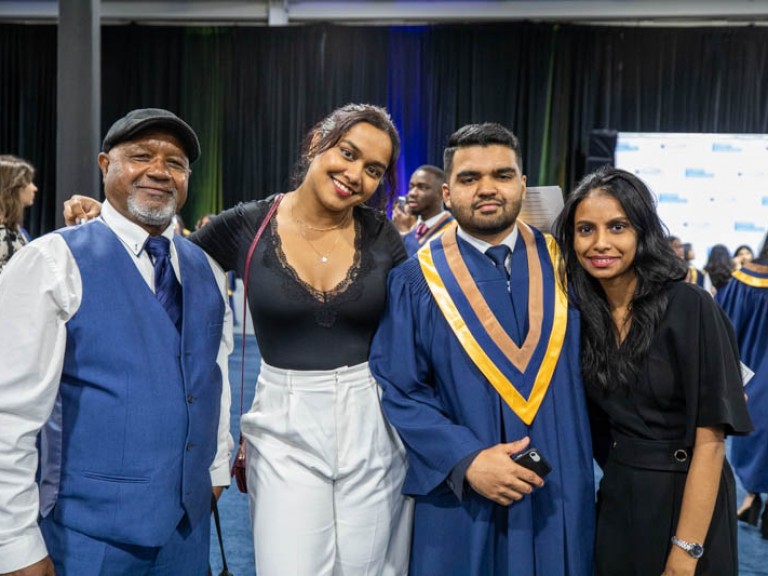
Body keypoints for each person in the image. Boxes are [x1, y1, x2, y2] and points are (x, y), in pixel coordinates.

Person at [65, 103, 413, 576]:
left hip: (373, 418)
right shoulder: (248, 223)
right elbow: (156, 250)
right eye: (347, 153)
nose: (355, 174)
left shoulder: (382, 236)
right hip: (284, 423)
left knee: (373, 569)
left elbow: (418, 323)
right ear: (317, 144)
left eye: (373, 169)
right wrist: (103, 213)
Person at [0, 108, 234, 575]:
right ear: (106, 165)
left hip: (186, 536)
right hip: (86, 538)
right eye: (141, 156)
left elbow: (215, 375)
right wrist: (15, 543)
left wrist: (215, 469)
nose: (159, 171)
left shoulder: (206, 268)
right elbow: (9, 415)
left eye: (176, 162)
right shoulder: (52, 261)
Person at [370, 123, 595, 575]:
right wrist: (466, 460)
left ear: (523, 185)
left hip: (561, 488)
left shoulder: (570, 266)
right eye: (471, 179)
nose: (487, 188)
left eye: (502, 175)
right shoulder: (415, 281)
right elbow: (401, 388)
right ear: (448, 193)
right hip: (466, 494)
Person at [552, 166, 752, 575]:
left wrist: (685, 551)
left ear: (642, 232)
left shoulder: (690, 306)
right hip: (619, 499)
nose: (600, 243)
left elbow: (711, 442)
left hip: (690, 501)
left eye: (617, 226)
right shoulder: (579, 316)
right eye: (585, 229)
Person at [716, 233, 768, 538]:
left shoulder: (743, 280)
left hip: (753, 379)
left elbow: (724, 329)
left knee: (754, 437)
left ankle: (751, 497)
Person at [401, 164, 454, 256]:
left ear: (443, 193)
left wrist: (405, 234)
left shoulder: (454, 232)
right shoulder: (412, 231)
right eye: (411, 187)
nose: (412, 193)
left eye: (422, 187)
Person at [0, 154, 37, 272]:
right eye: (29, 182)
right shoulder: (4, 236)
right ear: (13, 188)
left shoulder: (15, 231)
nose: (34, 188)